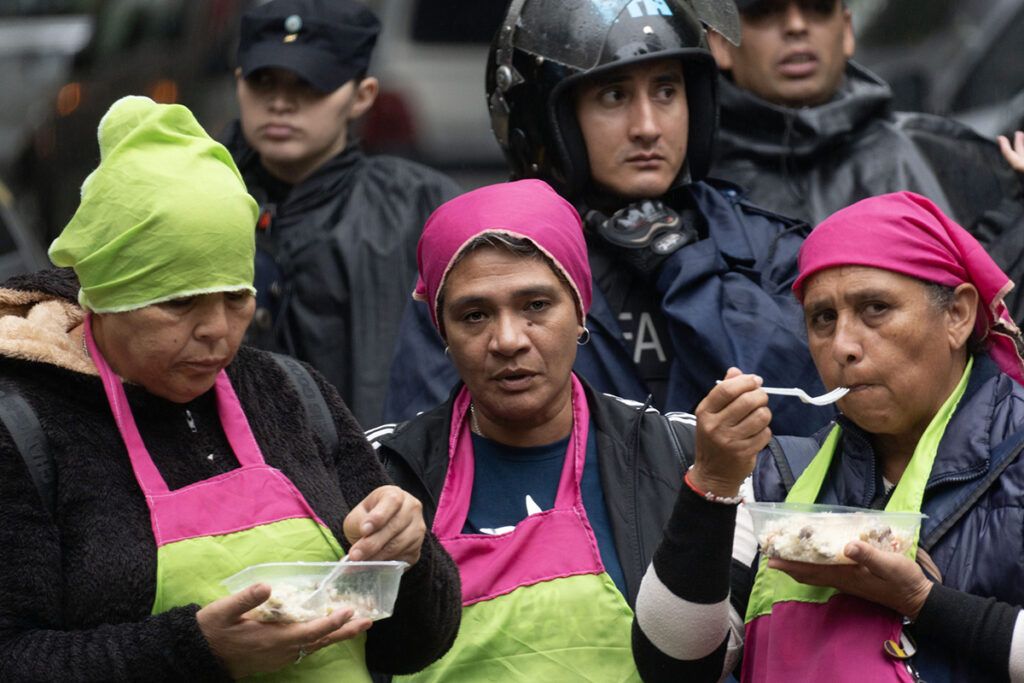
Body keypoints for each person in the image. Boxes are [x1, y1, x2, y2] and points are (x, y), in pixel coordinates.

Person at [0, 96, 460, 680]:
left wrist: (408, 558)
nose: (218, 332)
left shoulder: (292, 394)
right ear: (106, 298)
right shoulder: (27, 428)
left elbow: (416, 646)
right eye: (179, 303)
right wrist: (198, 650)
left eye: (236, 297)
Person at [383, 0, 831, 437]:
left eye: (666, 91)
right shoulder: (478, 264)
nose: (648, 126)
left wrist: (685, 266)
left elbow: (805, 418)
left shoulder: (767, 246)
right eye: (614, 96)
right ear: (547, 117)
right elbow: (426, 459)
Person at [632, 191, 1024, 682]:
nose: (842, 346)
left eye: (875, 308)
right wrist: (711, 483)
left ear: (958, 315)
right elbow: (673, 668)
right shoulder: (780, 477)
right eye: (823, 319)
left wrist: (922, 602)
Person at [368, 180, 704, 680]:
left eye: (536, 306)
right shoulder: (382, 473)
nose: (507, 340)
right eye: (475, 315)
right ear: (444, 332)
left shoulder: (680, 455)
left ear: (579, 310)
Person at [221, 0, 461, 426]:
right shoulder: (200, 199)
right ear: (239, 83)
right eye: (263, 81)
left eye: (310, 84)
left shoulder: (420, 205)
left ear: (362, 96)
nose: (280, 102)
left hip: (387, 477)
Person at [706, 0, 1024, 319]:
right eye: (765, 11)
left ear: (846, 30)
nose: (796, 27)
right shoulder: (692, 182)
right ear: (720, 43)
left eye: (817, 8)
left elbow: (1000, 318)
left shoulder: (941, 154)